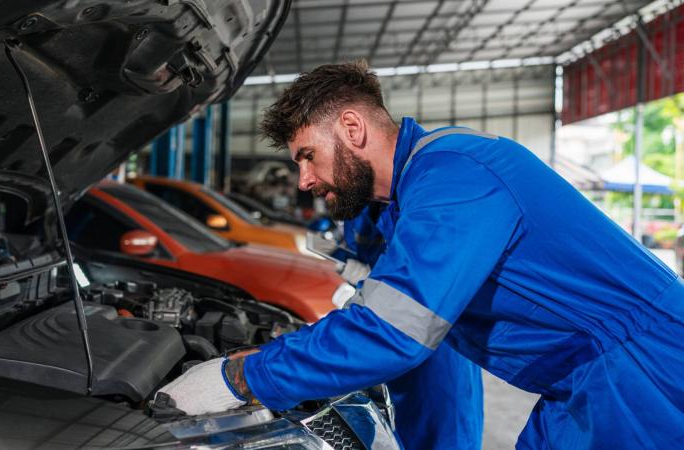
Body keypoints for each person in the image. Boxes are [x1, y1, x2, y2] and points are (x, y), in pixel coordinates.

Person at [158, 61, 684, 448]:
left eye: (308, 156)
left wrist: (242, 378)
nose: (304, 180)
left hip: (644, 374)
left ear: (352, 128)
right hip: (579, 383)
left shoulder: (456, 178)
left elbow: (393, 333)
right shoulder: (397, 203)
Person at [340, 204, 484, 450]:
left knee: (443, 426)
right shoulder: (362, 205)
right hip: (389, 332)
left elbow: (434, 269)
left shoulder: (423, 200)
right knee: (399, 424)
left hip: (436, 338)